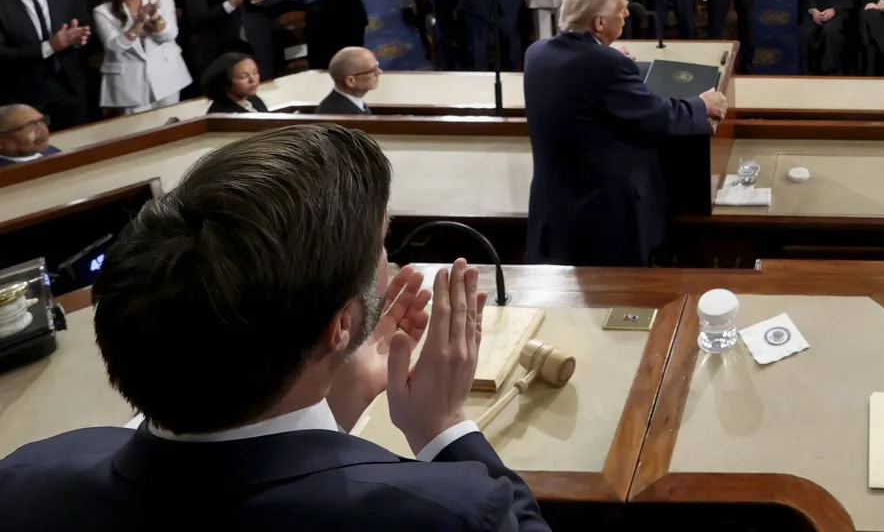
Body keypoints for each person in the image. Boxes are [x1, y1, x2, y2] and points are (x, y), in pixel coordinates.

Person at [0, 123, 549, 530]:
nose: (389, 259)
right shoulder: (450, 514)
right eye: (382, 245)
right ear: (340, 325)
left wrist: (338, 398)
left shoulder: (24, 479)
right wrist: (442, 426)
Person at [524, 0, 727, 266]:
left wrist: (604, 55)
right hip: (604, 213)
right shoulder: (604, 64)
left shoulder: (536, 53)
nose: (627, 14)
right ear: (599, 23)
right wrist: (701, 106)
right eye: (621, 9)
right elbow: (656, 114)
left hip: (554, 203)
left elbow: (581, 85)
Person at [0, 0, 92, 128]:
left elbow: (86, 29)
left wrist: (80, 39)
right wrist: (50, 47)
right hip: (23, 93)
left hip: (71, 86)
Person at [93, 0, 192, 114]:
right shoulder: (103, 11)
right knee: (138, 130)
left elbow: (170, 35)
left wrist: (155, 17)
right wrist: (138, 22)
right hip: (129, 82)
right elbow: (115, 48)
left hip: (166, 75)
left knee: (171, 123)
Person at [315, 45, 381, 114]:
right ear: (350, 81)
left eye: (377, 66)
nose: (379, 72)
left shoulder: (352, 103)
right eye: (372, 70)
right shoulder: (338, 114)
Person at [201, 52, 269, 113]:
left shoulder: (253, 99)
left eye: (255, 72)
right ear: (225, 81)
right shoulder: (222, 116)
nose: (252, 80)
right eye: (243, 76)